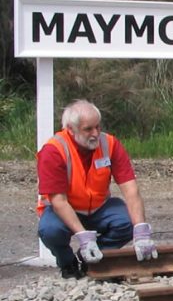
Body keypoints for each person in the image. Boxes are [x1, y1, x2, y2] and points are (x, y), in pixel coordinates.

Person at [36, 99, 157, 278]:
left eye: (98, 127)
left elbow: (131, 189)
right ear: (70, 129)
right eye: (88, 129)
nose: (95, 133)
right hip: (65, 209)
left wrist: (140, 230)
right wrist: (83, 237)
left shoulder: (110, 144)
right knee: (50, 231)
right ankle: (68, 264)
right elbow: (58, 201)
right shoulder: (54, 151)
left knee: (127, 222)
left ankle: (89, 259)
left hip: (100, 207)